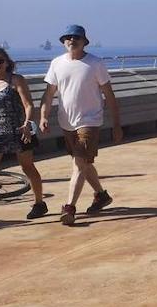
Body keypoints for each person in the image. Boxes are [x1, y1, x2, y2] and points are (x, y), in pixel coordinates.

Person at [38, 25, 123, 226]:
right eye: (67, 37)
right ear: (63, 42)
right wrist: (43, 116)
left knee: (78, 163)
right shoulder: (56, 63)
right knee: (85, 163)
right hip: (66, 122)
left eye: (76, 37)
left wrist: (117, 124)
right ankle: (101, 195)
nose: (71, 40)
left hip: (90, 121)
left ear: (84, 41)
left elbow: (109, 95)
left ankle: (69, 208)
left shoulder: (95, 63)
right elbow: (49, 93)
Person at [0, 46, 47, 219]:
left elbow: (28, 104)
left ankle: (39, 203)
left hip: (19, 131)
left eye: (0, 60)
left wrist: (27, 124)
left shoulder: (16, 80)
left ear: (7, 63)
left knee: (27, 167)